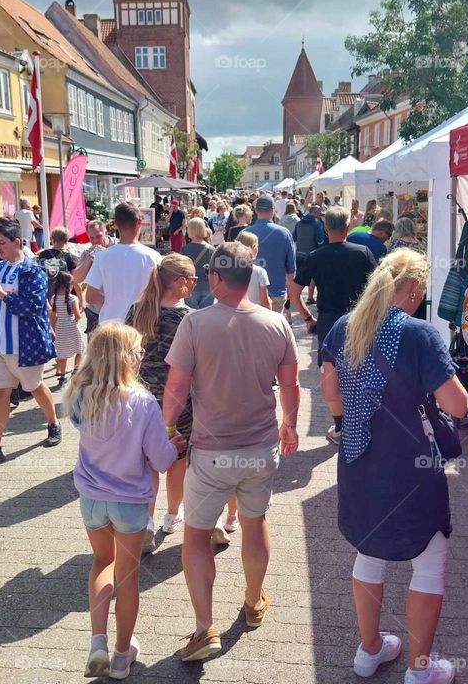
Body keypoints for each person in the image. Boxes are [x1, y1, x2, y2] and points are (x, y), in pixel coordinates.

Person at [319, 249, 468, 682]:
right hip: (412, 467)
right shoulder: (420, 335)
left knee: (368, 553)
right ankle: (420, 671)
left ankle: (368, 652)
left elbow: (332, 397)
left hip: (359, 459)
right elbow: (456, 404)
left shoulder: (344, 328)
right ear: (416, 288)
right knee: (430, 559)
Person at [162, 242, 300, 661]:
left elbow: (178, 387)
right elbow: (291, 385)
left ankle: (205, 629)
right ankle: (254, 602)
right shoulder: (277, 324)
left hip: (210, 452)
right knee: (255, 524)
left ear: (216, 279)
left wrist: (166, 428)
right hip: (259, 447)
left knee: (197, 536)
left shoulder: (195, 325)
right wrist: (289, 425)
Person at [62, 323, 183, 679]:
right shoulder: (142, 402)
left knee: (101, 563)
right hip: (130, 501)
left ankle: (97, 641)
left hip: (91, 497)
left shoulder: (80, 394)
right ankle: (120, 656)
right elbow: (160, 461)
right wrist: (172, 446)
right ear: (125, 357)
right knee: (127, 579)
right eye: (138, 350)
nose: (142, 355)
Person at [0, 221, 62, 468]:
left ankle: (53, 422)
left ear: (17, 242)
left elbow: (33, 307)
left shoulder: (32, 270)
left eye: (3, 244)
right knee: (0, 395)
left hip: (24, 346)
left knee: (35, 387)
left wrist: (3, 295)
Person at [125, 254, 197, 553]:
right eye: (192, 279)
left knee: (147, 462)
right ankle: (172, 515)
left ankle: (148, 522)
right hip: (180, 402)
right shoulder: (190, 318)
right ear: (180, 283)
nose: (195, 284)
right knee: (178, 458)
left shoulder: (137, 311)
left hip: (142, 400)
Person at [290, 206, 377, 445]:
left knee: (331, 375)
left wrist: (308, 318)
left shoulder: (315, 256)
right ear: (347, 227)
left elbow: (294, 292)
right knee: (363, 371)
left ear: (326, 228)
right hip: (361, 321)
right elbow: (380, 290)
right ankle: (361, 423)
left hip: (330, 322)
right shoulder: (364, 253)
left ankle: (341, 426)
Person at [86, 204, 162, 324]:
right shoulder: (153, 257)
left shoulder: (102, 257)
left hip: (110, 324)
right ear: (139, 222)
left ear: (115, 224)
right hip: (141, 323)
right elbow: (159, 294)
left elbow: (91, 296)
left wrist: (113, 302)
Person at [245, 196, 296, 315]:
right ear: (273, 210)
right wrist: (290, 289)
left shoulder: (245, 234)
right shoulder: (284, 233)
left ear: (256, 211)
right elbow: (291, 267)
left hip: (249, 293)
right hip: (277, 290)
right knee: (273, 329)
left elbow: (235, 265)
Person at [73, 220, 113, 336]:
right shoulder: (87, 252)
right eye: (91, 238)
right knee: (95, 351)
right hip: (95, 311)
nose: (95, 241)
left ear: (106, 233)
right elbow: (76, 278)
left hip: (115, 309)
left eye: (99, 236)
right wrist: (88, 261)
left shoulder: (117, 247)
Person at [50, 270, 85, 382]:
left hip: (60, 328)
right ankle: (76, 370)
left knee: (62, 354)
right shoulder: (72, 298)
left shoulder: (54, 298)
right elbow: (78, 316)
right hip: (72, 327)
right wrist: (81, 309)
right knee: (79, 349)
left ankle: (62, 375)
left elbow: (54, 315)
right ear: (67, 285)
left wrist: (54, 329)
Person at [179, 218, 216, 310]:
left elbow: (180, 269)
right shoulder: (212, 250)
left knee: (191, 315)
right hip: (208, 286)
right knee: (205, 316)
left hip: (191, 285)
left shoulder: (185, 249)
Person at [235, 231, 271, 309]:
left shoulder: (228, 270)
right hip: (254, 314)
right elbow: (265, 302)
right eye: (257, 246)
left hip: (233, 314)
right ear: (253, 248)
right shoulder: (260, 272)